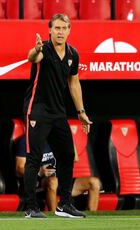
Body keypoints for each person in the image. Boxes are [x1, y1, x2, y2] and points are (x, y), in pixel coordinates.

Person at [23, 13, 92, 218]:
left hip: (58, 113)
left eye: (64, 28)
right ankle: (31, 207)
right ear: (50, 31)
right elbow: (32, 57)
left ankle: (65, 205)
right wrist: (35, 49)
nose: (60, 32)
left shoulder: (73, 54)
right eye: (57, 28)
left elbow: (74, 82)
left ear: (69, 30)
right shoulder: (43, 49)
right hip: (37, 110)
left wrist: (81, 112)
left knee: (67, 155)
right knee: (34, 159)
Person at [15, 136, 101, 212]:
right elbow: (19, 169)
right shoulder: (26, 140)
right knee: (53, 181)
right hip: (39, 182)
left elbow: (74, 158)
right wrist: (39, 171)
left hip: (60, 180)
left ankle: (91, 218)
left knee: (94, 182)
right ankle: (55, 217)